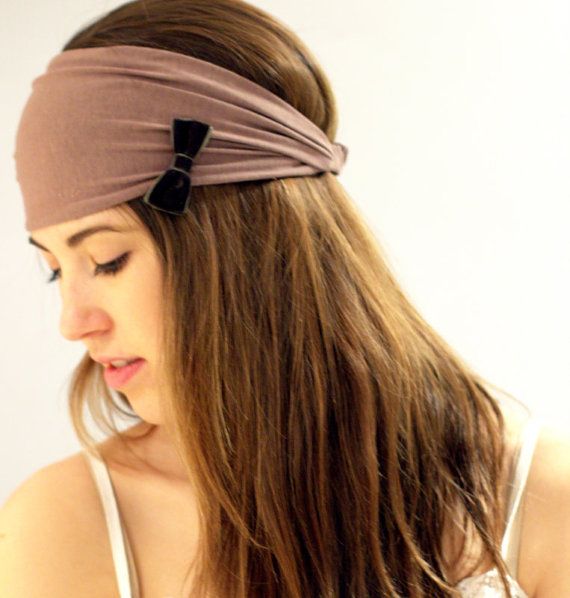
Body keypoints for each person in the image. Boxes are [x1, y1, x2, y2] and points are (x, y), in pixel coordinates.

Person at [1, 0, 569, 596]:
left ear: (239, 242)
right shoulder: (61, 528)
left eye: (106, 260)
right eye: (54, 270)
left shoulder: (538, 500)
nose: (73, 322)